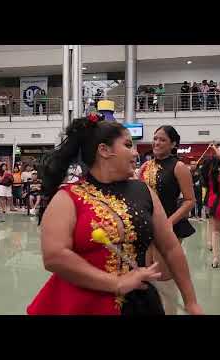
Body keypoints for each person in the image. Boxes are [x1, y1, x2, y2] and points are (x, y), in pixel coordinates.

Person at [27, 115, 203, 315]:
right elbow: (54, 256)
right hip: (84, 303)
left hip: (138, 303)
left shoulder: (143, 191)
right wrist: (116, 282)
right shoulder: (68, 197)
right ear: (104, 150)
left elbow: (171, 247)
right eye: (128, 145)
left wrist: (191, 301)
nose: (135, 153)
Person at [138, 125, 196, 314]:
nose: (156, 143)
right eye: (155, 138)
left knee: (164, 278)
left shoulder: (179, 167)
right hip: (146, 227)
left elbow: (189, 201)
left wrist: (168, 223)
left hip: (169, 228)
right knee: (146, 276)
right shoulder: (146, 166)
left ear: (173, 144)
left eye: (162, 139)